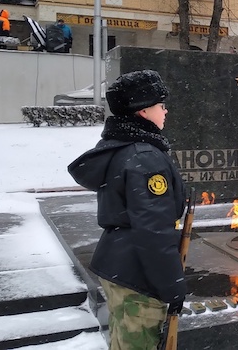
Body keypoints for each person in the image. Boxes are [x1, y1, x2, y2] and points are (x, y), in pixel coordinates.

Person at [67, 70, 186, 349]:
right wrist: (172, 285)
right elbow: (153, 231)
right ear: (143, 111)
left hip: (119, 266)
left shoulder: (125, 149)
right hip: (137, 276)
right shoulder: (145, 157)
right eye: (160, 104)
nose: (165, 110)